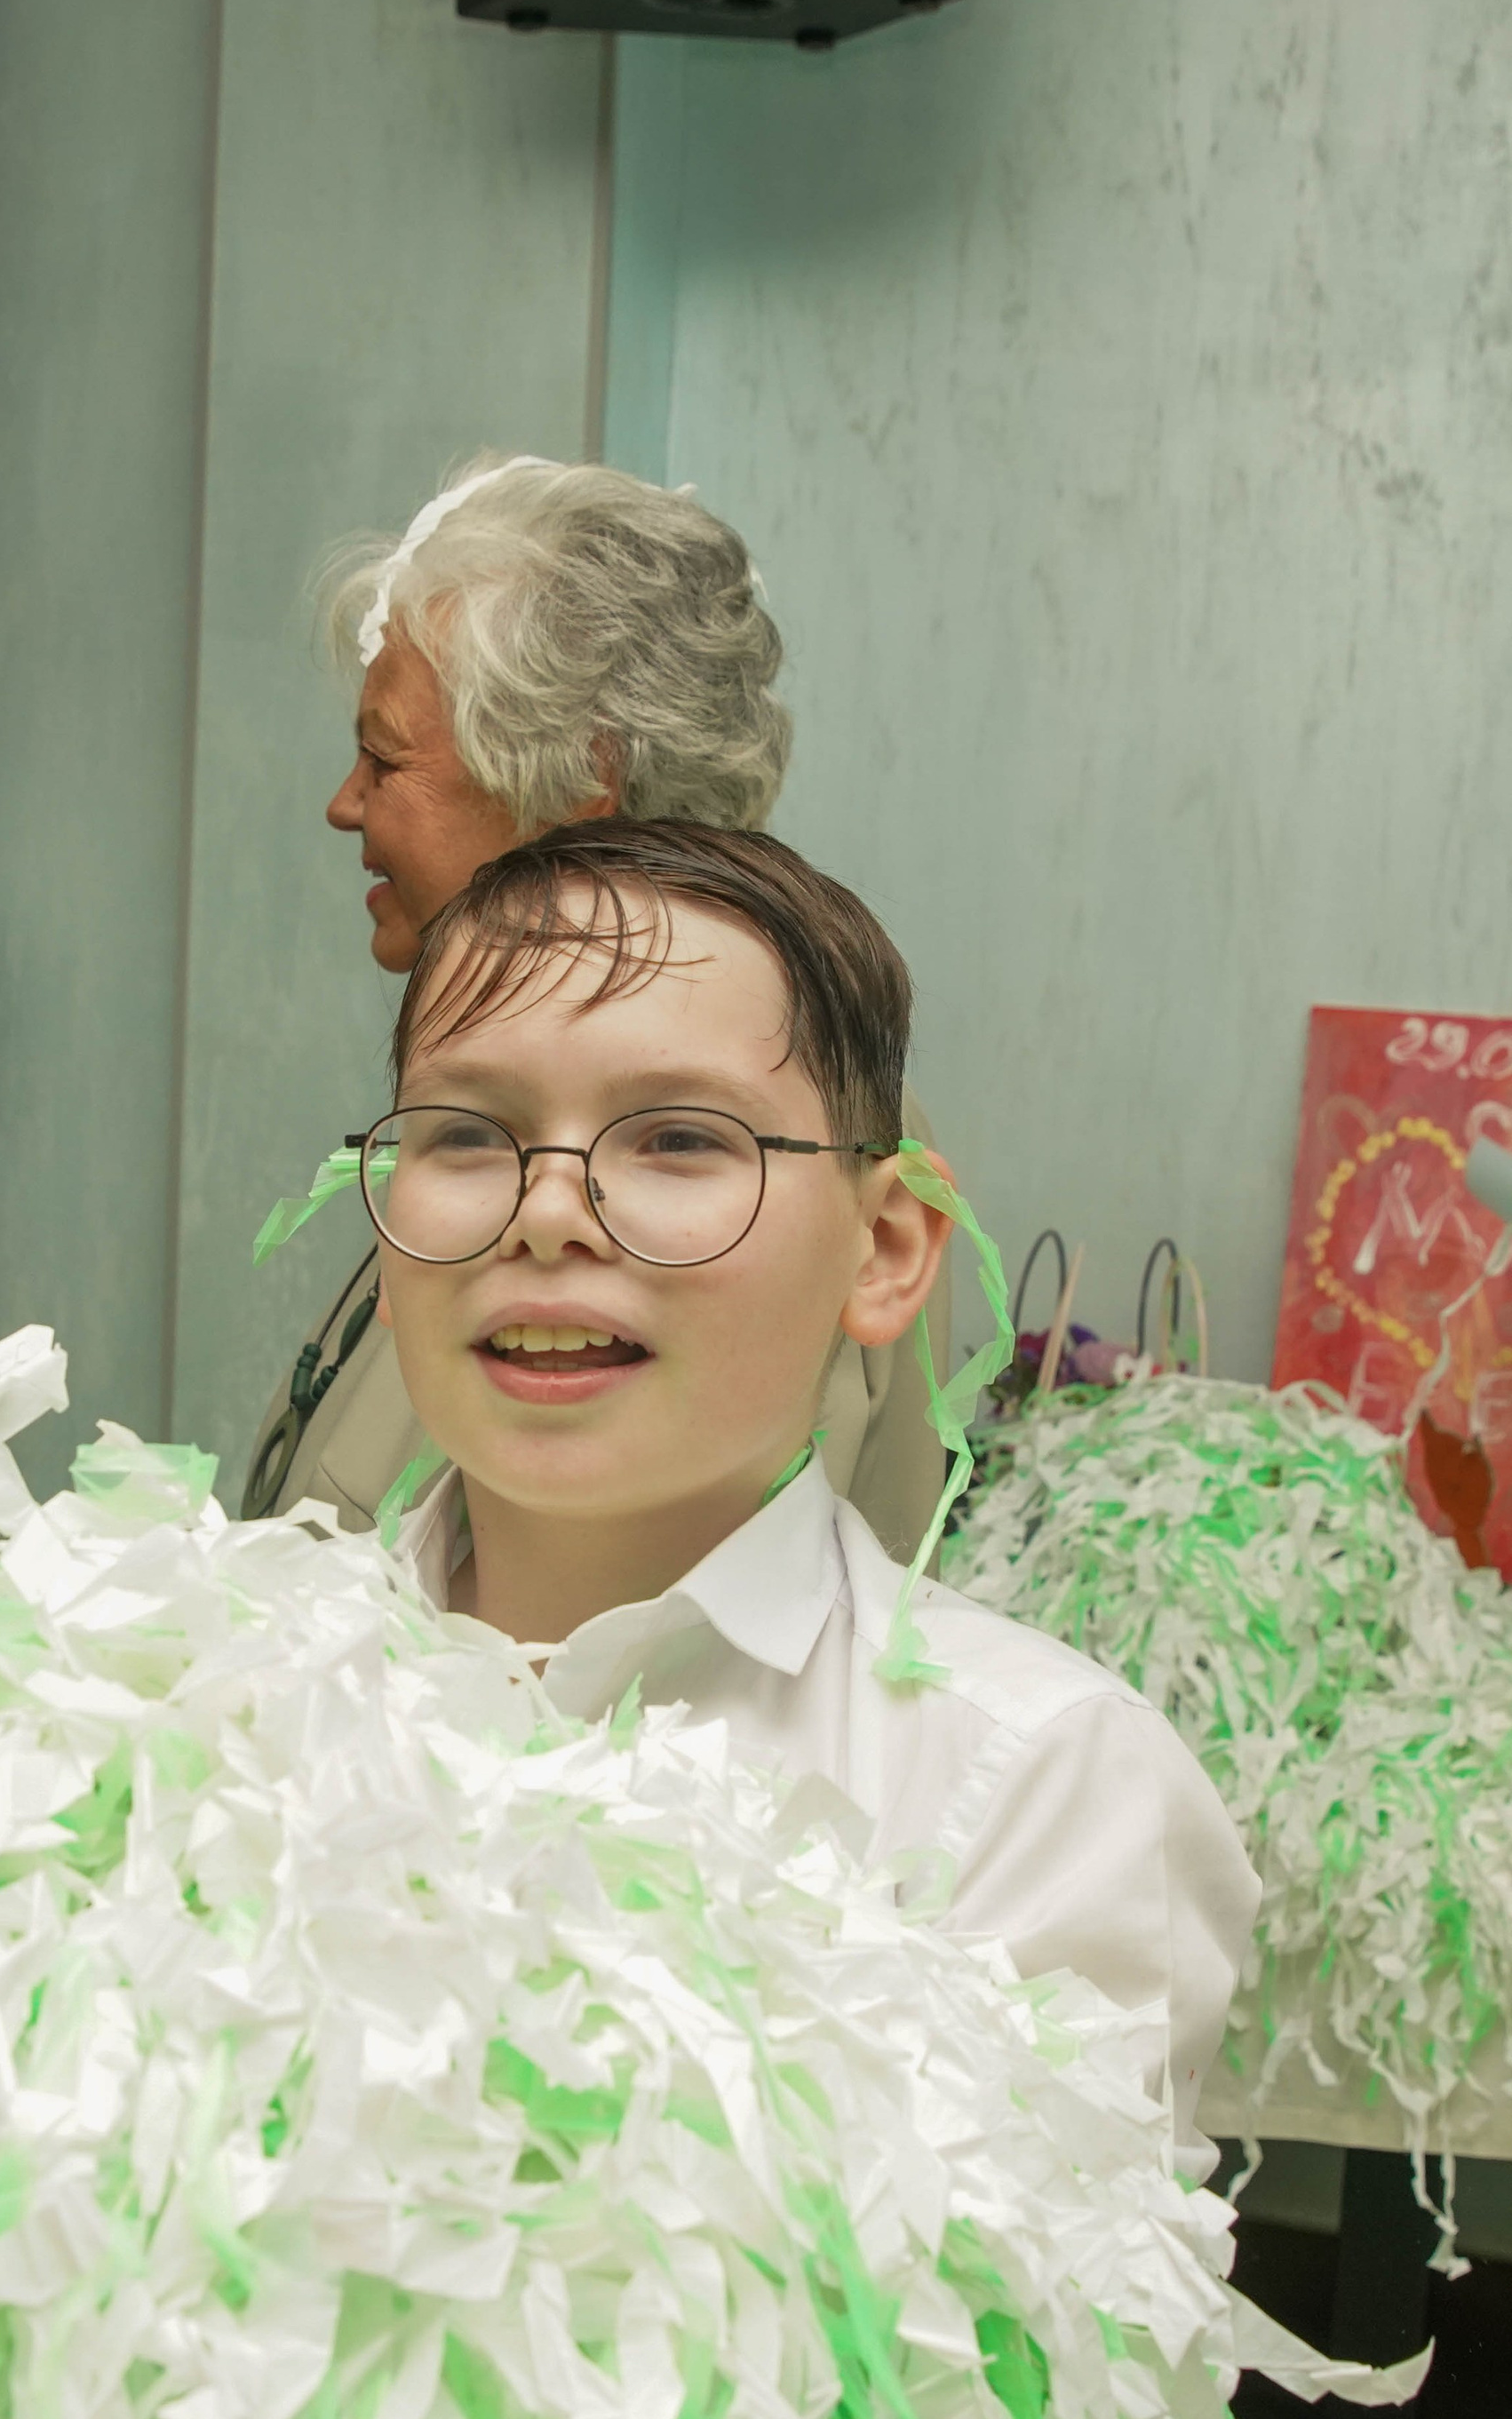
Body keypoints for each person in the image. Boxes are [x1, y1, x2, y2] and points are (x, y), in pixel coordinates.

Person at [366, 816, 1250, 2178]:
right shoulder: (213, 1687)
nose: (546, 1213)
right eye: (469, 1133)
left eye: (673, 1138)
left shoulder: (1043, 1789)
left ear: (886, 1249)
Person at [243, 455, 951, 1555]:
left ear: (576, 785)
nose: (345, 808)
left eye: (385, 759)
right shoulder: (511, 1081)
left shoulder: (804, 1153)